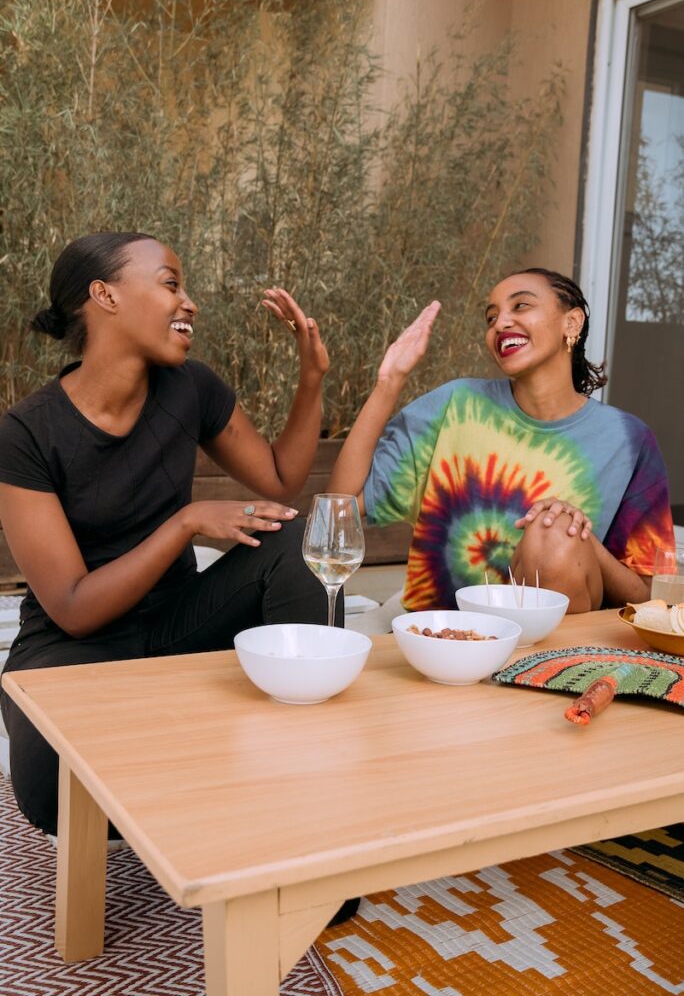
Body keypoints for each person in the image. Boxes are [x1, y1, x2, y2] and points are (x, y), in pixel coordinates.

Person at [0, 231, 341, 838]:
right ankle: (216, 790)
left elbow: (282, 479)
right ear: (103, 295)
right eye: (170, 284)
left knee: (292, 538)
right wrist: (185, 522)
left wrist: (311, 378)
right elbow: (75, 609)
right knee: (52, 784)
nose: (190, 303)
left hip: (180, 625)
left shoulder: (191, 388)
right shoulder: (27, 434)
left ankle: (311, 786)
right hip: (74, 653)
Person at [327, 268, 675, 614]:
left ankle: (538, 670)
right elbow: (338, 508)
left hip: (560, 650)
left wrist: (579, 535)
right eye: (491, 317)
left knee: (556, 528)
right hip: (445, 639)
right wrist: (389, 381)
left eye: (521, 306)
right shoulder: (455, 407)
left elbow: (651, 598)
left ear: (572, 323)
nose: (500, 323)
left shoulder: (629, 441)